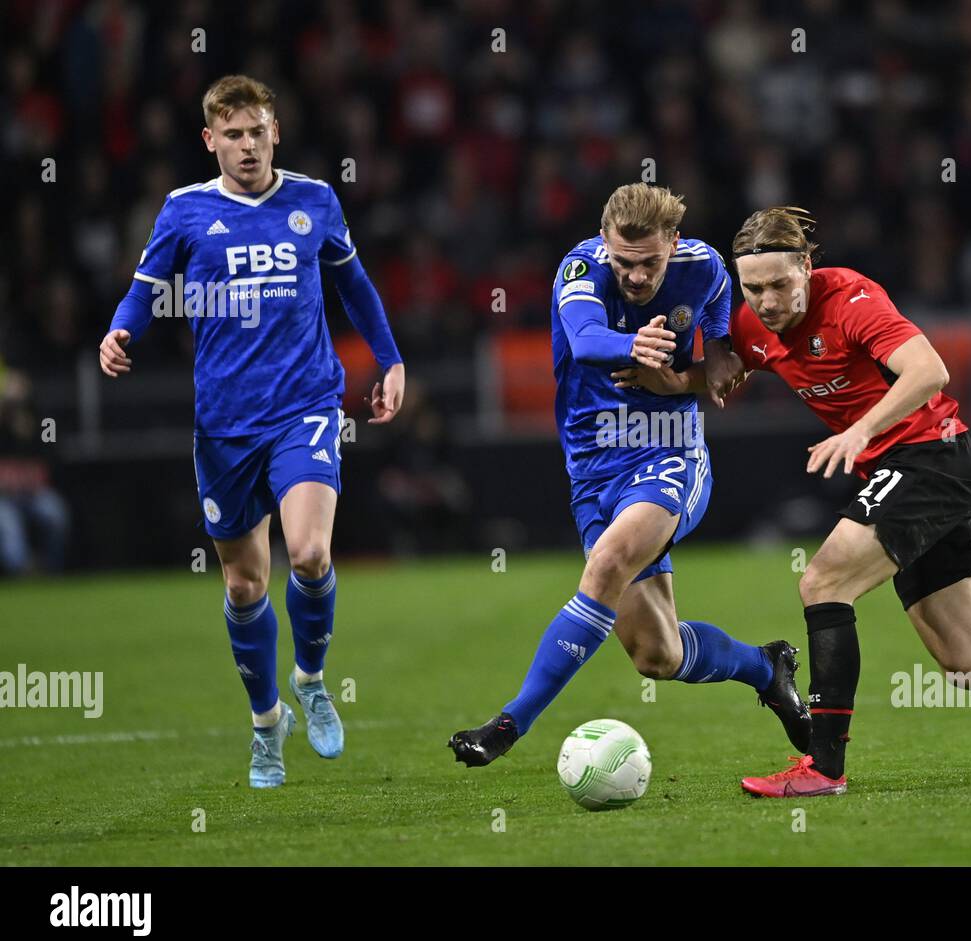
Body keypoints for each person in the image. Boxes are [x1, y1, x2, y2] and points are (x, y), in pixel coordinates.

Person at [615, 206, 971, 797]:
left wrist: (860, 430)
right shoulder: (752, 324)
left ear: (807, 268)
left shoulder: (850, 299)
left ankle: (823, 768)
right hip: (903, 473)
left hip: (931, 460)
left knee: (822, 582)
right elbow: (717, 374)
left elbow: (928, 370)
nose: (765, 299)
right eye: (753, 287)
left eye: (779, 284)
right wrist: (653, 371)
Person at [99, 75, 405, 788]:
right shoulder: (183, 212)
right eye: (231, 134)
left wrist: (389, 359)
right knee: (243, 584)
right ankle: (268, 724)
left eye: (257, 130)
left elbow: (354, 287)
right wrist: (120, 331)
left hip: (305, 405)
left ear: (276, 133)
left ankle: (312, 678)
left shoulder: (314, 200)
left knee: (307, 553)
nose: (246, 145)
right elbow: (143, 294)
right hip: (225, 425)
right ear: (210, 140)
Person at [448, 184, 809, 767]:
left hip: (670, 456)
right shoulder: (580, 268)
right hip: (594, 470)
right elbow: (587, 341)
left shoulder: (703, 264)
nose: (635, 277)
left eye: (648, 263)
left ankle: (511, 723)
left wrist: (717, 349)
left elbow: (717, 301)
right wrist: (633, 343)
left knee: (608, 563)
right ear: (604, 242)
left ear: (674, 242)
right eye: (623, 261)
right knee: (656, 655)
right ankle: (765, 668)